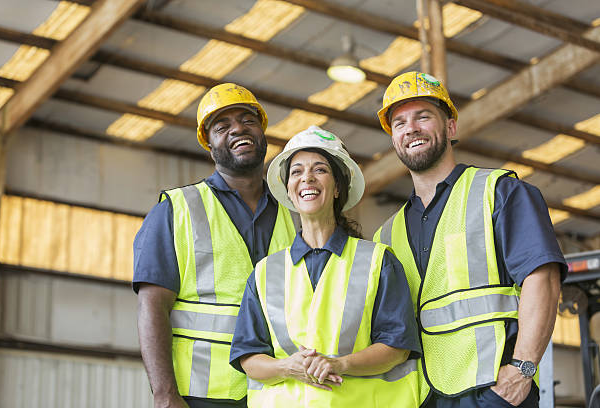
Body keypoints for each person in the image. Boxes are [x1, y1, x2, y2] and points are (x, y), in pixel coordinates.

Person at [373, 71, 566, 408]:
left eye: (423, 116)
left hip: (493, 391)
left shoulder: (500, 192)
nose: (411, 128)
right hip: (423, 396)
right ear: (394, 139)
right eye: (400, 123)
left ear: (450, 127)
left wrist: (522, 368)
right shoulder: (386, 235)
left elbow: (543, 279)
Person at [229, 125, 423, 407]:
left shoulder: (378, 262)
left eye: (319, 169)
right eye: (296, 172)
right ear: (289, 192)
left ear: (337, 188)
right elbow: (249, 358)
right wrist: (287, 367)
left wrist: (340, 364)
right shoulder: (264, 273)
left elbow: (397, 348)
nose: (306, 177)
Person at [133, 83, 299, 408]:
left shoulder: (294, 214)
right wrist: (165, 394)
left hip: (277, 390)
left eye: (247, 120)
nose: (238, 128)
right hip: (200, 393)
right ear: (209, 144)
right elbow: (152, 306)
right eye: (222, 126)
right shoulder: (177, 208)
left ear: (262, 131)